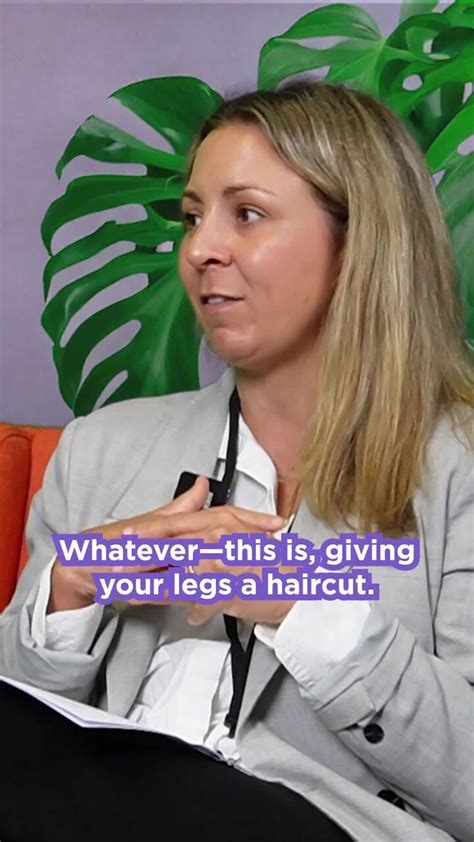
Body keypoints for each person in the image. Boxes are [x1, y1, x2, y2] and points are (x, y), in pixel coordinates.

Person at [0, 80, 473, 842]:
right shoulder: (101, 449)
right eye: (192, 217)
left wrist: (308, 609)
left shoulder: (460, 468)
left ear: (358, 241)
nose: (199, 249)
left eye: (246, 214)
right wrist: (70, 589)